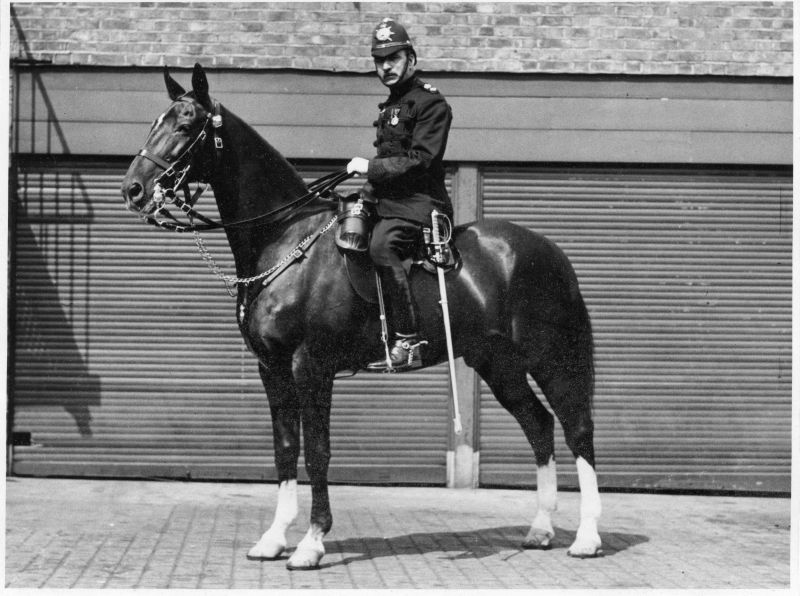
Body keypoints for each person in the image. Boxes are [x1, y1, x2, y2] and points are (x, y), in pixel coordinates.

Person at [347, 17, 453, 372]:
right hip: (390, 202)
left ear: (411, 58)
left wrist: (370, 169)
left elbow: (420, 161)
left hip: (420, 205)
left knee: (381, 246)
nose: (386, 66)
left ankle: (408, 342)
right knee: (345, 227)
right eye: (380, 60)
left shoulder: (431, 105)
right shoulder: (390, 106)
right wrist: (363, 195)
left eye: (393, 57)